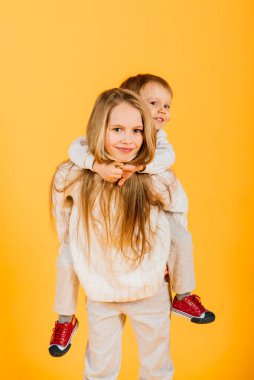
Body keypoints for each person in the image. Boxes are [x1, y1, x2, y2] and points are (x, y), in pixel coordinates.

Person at [49, 88, 180, 379]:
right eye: (117, 129)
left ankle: (185, 298)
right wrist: (85, 263)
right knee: (100, 370)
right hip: (102, 292)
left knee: (156, 368)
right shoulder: (75, 175)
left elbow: (176, 220)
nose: (128, 139)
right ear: (99, 128)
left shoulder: (155, 177)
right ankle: (64, 320)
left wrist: (167, 266)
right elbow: (64, 223)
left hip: (149, 290)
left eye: (136, 130)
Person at [68, 74, 215, 324]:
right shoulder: (111, 135)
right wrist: (97, 166)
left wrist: (138, 167)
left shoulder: (160, 140)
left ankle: (183, 294)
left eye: (167, 105)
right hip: (128, 215)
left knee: (181, 239)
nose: (162, 111)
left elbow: (167, 157)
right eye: (154, 103)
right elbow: (76, 147)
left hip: (163, 208)